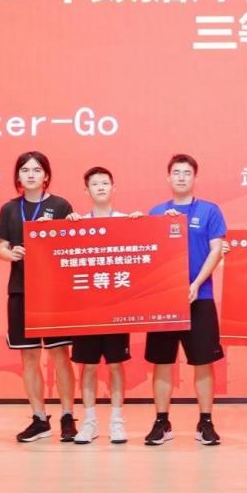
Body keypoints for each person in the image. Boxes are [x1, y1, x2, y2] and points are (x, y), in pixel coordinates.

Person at [0, 151, 78, 443]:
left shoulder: (61, 205)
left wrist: (68, 226)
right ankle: (39, 418)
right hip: (20, 289)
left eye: (37, 170)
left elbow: (72, 244)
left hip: (53, 292)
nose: (31, 174)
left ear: (46, 175)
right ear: (18, 176)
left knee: (60, 355)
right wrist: (10, 253)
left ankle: (68, 415)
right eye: (25, 170)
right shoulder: (9, 208)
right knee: (29, 357)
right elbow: (1, 248)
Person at [144, 154, 226, 446]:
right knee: (162, 362)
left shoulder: (210, 210)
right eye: (176, 172)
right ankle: (161, 422)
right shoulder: (156, 212)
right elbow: (146, 254)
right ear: (168, 178)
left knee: (203, 362)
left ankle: (205, 422)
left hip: (200, 297)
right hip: (164, 301)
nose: (181, 177)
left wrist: (195, 284)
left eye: (187, 172)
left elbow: (217, 250)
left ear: (195, 177)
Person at [66, 166, 143, 445]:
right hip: (87, 310)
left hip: (117, 309)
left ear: (113, 188)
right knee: (87, 366)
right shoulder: (76, 224)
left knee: (115, 365)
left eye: (105, 183)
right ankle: (89, 423)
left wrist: (141, 226)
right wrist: (67, 227)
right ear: (86, 191)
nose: (100, 187)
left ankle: (117, 422)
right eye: (95, 184)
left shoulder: (126, 220)